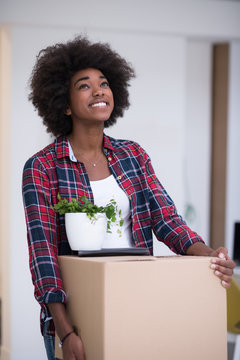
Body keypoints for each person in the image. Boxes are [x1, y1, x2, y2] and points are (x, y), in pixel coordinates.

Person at [22, 35, 235, 360]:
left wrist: (211, 256)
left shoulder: (133, 154)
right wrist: (65, 331)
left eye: (104, 83)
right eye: (84, 85)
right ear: (63, 104)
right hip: (76, 317)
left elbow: (167, 220)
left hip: (137, 306)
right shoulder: (41, 167)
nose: (98, 90)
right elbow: (44, 255)